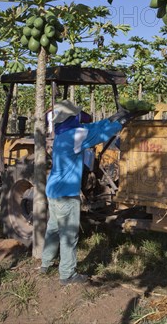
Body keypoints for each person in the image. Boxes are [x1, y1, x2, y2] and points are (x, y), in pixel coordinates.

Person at [40, 99, 143, 285]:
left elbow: (93, 128)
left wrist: (111, 118)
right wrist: (119, 122)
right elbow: (99, 135)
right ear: (71, 117)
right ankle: (67, 274)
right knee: (69, 235)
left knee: (53, 228)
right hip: (67, 194)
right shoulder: (75, 135)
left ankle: (45, 263)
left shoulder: (61, 136)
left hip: (53, 190)